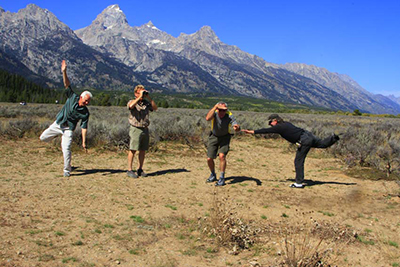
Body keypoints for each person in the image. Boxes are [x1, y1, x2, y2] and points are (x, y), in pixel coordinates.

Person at [242, 114, 339, 188]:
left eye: (270, 122)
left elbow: (265, 131)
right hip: (308, 135)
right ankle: (334, 137)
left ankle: (299, 183)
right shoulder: (286, 124)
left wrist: (252, 131)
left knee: (298, 161)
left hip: (304, 140)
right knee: (322, 144)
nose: (270, 125)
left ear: (275, 121)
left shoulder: (279, 127)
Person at [40, 60, 92, 177]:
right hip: (58, 124)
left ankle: (67, 171)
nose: (87, 102)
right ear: (81, 97)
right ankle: (56, 135)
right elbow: (67, 84)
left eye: (88, 101)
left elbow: (84, 127)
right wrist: (64, 72)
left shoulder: (85, 113)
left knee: (66, 149)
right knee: (43, 138)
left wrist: (84, 142)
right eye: (86, 100)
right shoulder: (73, 97)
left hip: (68, 129)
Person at [205, 102, 240, 186]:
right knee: (209, 158)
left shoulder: (229, 115)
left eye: (224, 110)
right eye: (220, 110)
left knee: (222, 156)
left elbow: (236, 125)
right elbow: (207, 118)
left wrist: (237, 128)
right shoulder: (215, 113)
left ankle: (222, 178)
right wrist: (214, 107)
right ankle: (213, 174)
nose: (222, 112)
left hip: (225, 137)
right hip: (214, 136)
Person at [127, 85, 158, 178]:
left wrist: (148, 97)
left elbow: (155, 108)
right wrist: (139, 97)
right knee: (133, 149)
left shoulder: (146, 103)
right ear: (135, 93)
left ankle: (140, 169)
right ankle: (129, 169)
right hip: (135, 128)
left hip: (144, 128)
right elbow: (131, 106)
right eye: (139, 92)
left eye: (143, 92)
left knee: (142, 150)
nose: (142, 95)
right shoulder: (132, 101)